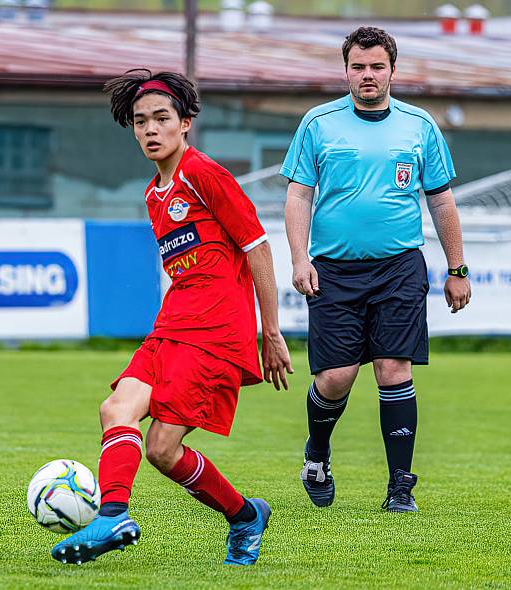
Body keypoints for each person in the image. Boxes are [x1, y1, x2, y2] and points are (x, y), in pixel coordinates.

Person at [51, 69, 293, 567]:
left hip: (215, 333)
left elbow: (258, 249)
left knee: (162, 447)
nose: (150, 130)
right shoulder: (154, 192)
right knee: (119, 413)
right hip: (172, 325)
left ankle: (236, 516)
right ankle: (122, 515)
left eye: (162, 119)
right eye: (141, 122)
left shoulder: (204, 174)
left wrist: (269, 333)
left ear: (186, 123)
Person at [281, 26, 471, 513]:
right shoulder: (318, 123)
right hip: (334, 271)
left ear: (392, 70)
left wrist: (458, 268)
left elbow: (442, 200)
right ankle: (318, 453)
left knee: (393, 369)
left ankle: (400, 488)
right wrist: (300, 258)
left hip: (400, 267)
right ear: (345, 70)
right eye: (358, 67)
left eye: (377, 67)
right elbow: (299, 194)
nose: (367, 75)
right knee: (336, 378)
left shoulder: (419, 125)